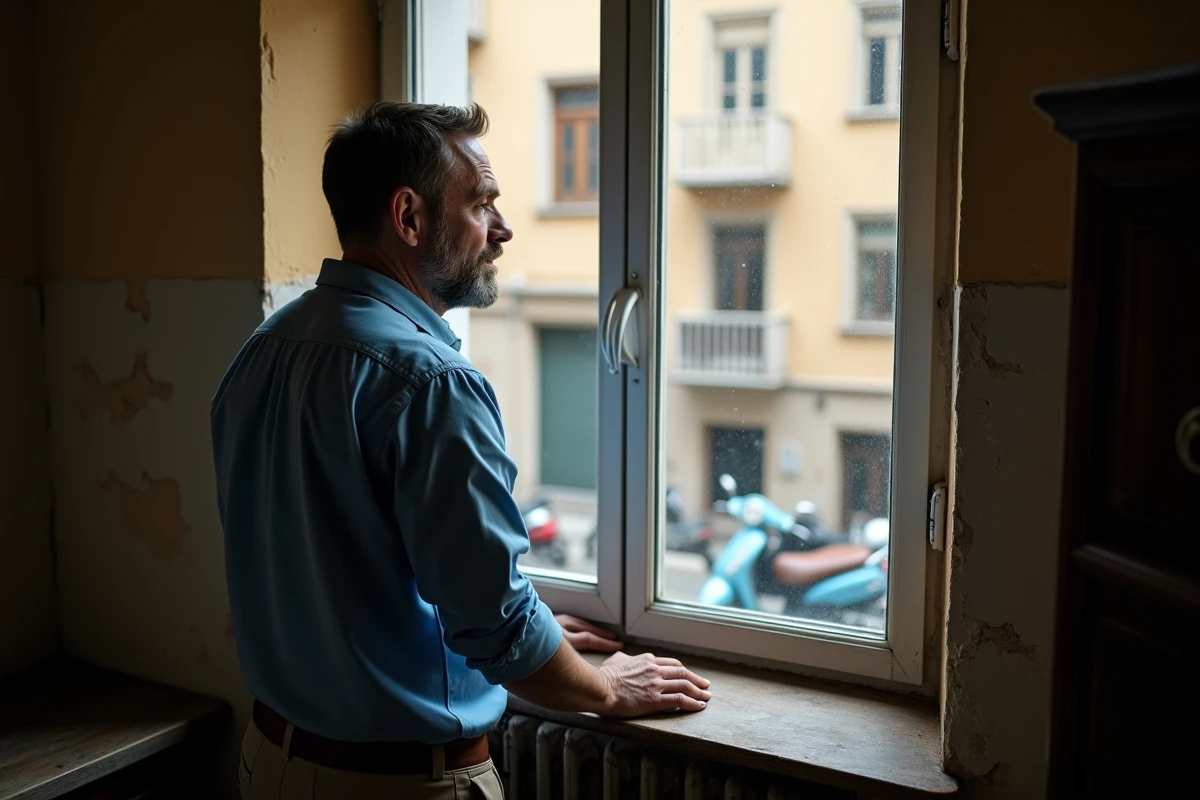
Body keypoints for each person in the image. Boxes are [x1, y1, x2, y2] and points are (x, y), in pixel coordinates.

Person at [210, 102, 711, 799]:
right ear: (409, 217)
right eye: (481, 204)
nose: (500, 229)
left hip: (267, 762)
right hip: (396, 787)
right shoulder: (431, 381)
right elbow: (494, 620)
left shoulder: (263, 350)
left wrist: (514, 620)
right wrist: (604, 688)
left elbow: (341, 573)